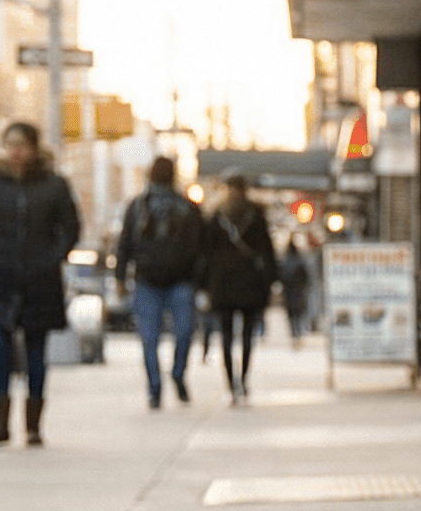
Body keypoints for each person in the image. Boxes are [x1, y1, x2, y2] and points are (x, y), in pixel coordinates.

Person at [0, 121, 81, 447]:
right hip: (0, 277)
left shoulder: (54, 185)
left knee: (35, 352)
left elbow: (70, 227)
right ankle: (0, 424)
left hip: (40, 280)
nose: (15, 151)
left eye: (22, 144)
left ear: (34, 147)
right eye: (10, 144)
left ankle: (33, 426)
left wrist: (53, 257)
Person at [115, 155, 205, 409]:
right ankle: (158, 386)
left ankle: (172, 378)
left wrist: (121, 277)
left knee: (172, 334)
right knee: (155, 336)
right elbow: (124, 245)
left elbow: (200, 248)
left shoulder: (185, 207)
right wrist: (120, 276)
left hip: (176, 280)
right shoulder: (139, 207)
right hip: (151, 281)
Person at [201, 176, 275, 405]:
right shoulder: (256, 215)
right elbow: (267, 252)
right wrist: (271, 282)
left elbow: (206, 255)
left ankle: (233, 382)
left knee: (227, 336)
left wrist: (204, 285)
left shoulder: (216, 216)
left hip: (223, 283)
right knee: (245, 337)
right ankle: (241, 380)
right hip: (249, 283)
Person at [278, 232, 315, 347]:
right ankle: (297, 332)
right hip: (298, 290)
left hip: (289, 291)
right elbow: (306, 275)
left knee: (291, 314)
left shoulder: (285, 260)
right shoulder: (299, 259)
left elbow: (281, 275)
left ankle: (294, 333)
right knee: (297, 313)